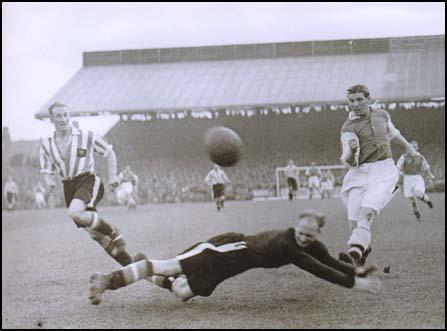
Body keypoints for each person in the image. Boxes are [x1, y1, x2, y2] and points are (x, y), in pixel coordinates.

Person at [88, 210, 381, 305]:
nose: (304, 237)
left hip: (231, 266)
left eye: (310, 235)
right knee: (165, 266)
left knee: (181, 291)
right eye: (301, 232)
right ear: (297, 227)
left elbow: (329, 262)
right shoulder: (288, 244)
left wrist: (356, 271)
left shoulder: (310, 244)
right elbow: (319, 271)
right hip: (222, 249)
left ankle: (129, 258)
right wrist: (353, 285)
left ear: (316, 233)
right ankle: (109, 280)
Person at [39, 102, 137, 267]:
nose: (63, 119)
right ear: (51, 119)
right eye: (58, 116)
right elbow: (47, 170)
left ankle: (113, 230)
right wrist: (48, 180)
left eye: (65, 115)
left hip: (88, 181)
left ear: (69, 116)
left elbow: (109, 152)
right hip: (68, 187)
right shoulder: (46, 144)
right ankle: (131, 265)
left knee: (74, 212)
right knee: (95, 234)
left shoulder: (86, 136)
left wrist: (112, 175)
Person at [339, 84, 419, 266]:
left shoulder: (382, 115)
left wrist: (408, 147)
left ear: (368, 99)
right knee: (354, 228)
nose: (355, 104)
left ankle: (355, 255)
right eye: (351, 101)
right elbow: (350, 162)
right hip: (358, 175)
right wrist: (351, 152)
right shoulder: (348, 128)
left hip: (383, 171)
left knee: (367, 213)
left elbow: (394, 134)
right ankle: (361, 251)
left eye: (359, 99)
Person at [396, 141, 435, 221]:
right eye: (411, 147)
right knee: (412, 199)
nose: (413, 148)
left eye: (415, 147)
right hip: (407, 179)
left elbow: (426, 168)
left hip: (417, 178)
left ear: (417, 148)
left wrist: (430, 176)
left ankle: (427, 200)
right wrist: (397, 175)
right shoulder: (404, 157)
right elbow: (398, 167)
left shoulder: (420, 157)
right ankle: (417, 215)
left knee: (418, 192)